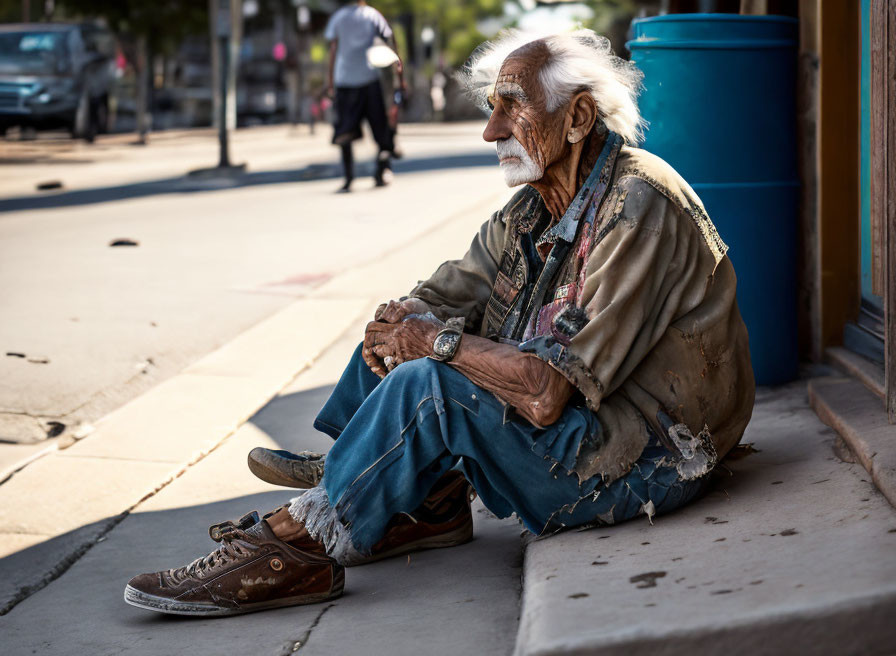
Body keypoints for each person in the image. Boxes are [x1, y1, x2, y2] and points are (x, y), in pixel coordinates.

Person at [124, 29, 755, 617]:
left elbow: (544, 394)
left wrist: (434, 341)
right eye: (491, 106)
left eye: (511, 107)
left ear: (578, 119)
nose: (490, 131)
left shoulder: (636, 201)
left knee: (428, 382)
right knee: (404, 345)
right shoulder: (530, 210)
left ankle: (303, 542)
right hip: (585, 421)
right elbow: (450, 291)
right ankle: (416, 498)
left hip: (645, 458)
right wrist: (402, 321)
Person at [325, 0, 405, 193]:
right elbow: (390, 41)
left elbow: (333, 50)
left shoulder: (338, 17)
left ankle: (348, 177)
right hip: (369, 79)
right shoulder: (372, 15)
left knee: (345, 131)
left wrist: (330, 81)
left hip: (344, 81)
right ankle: (382, 170)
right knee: (380, 127)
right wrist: (399, 72)